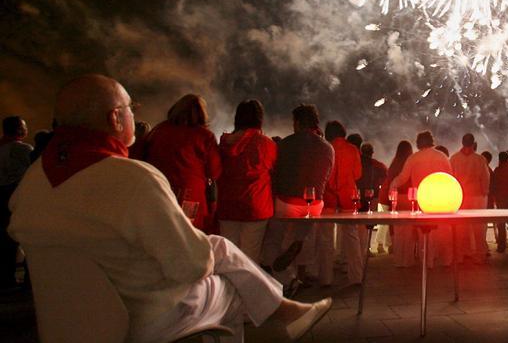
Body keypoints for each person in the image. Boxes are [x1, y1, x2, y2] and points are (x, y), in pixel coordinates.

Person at [8, 75, 330, 342]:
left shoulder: (31, 183)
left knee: (218, 246)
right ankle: (283, 311)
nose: (135, 114)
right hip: (141, 318)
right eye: (131, 107)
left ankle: (285, 309)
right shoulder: (132, 179)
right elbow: (190, 266)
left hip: (65, 323)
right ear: (114, 118)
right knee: (230, 287)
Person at [260, 104, 334, 295]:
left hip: (287, 201)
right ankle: (299, 254)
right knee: (302, 238)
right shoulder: (328, 148)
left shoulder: (285, 144)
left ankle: (284, 278)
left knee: (273, 240)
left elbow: (276, 173)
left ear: (298, 122)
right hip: (315, 203)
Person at [140, 94, 222, 233]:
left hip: (159, 190)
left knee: (160, 232)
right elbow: (214, 171)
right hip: (190, 195)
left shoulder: (159, 130)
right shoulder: (204, 136)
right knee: (189, 234)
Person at [216, 99, 276, 262]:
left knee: (228, 256)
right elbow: (272, 169)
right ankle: (248, 287)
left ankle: (228, 287)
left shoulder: (224, 144)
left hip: (228, 205)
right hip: (255, 205)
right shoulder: (266, 144)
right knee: (250, 257)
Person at [389, 131, 453, 267]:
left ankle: (426, 262)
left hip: (422, 199)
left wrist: (393, 184)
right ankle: (443, 260)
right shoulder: (441, 156)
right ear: (432, 141)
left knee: (425, 232)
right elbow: (450, 178)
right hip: (441, 199)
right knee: (440, 231)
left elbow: (403, 177)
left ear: (418, 143)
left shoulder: (414, 158)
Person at [318, 120, 363, 286]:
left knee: (326, 238)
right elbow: (358, 174)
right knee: (352, 237)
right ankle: (356, 276)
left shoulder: (325, 148)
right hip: (348, 196)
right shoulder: (352, 149)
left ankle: (325, 278)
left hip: (328, 197)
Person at [0, 116, 32, 289]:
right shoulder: (24, 150)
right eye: (23, 126)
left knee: (4, 239)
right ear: (20, 129)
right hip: (17, 197)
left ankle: (5, 277)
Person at [450, 133, 491, 263]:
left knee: (461, 227)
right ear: (473, 143)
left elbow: (451, 177)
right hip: (477, 196)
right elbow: (485, 178)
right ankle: (479, 254)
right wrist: (485, 191)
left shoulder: (454, 158)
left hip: (460, 196)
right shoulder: (479, 159)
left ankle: (461, 254)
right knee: (479, 227)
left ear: (462, 143)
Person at [382, 140, 414, 266]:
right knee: (409, 231)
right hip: (409, 197)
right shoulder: (411, 162)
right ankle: (408, 260)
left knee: (398, 230)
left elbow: (389, 182)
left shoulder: (394, 164)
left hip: (396, 198)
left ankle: (399, 259)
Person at [358, 142, 388, 253]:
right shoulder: (377, 164)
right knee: (369, 224)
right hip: (373, 196)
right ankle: (367, 249)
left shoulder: (358, 163)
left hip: (359, 196)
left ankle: (361, 248)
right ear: (372, 152)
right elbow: (386, 175)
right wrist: (377, 185)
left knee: (358, 224)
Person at [491, 151, 508, 253]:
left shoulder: (497, 170)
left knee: (501, 223)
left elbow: (494, 184)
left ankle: (502, 245)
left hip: (501, 199)